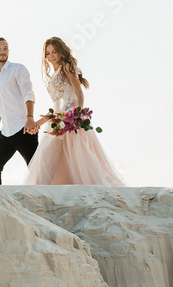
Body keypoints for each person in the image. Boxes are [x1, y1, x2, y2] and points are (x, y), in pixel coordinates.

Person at [24, 37, 127, 186]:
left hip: (70, 121)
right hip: (57, 121)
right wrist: (38, 123)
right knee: (51, 158)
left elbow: (79, 92)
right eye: (48, 53)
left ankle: (41, 188)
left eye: (54, 52)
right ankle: (42, 190)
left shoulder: (67, 68)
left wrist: (77, 116)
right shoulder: (54, 74)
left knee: (73, 158)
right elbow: (56, 105)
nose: (51, 56)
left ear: (61, 52)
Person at [0, 37, 38, 185]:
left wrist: (30, 117)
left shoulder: (18, 69)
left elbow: (28, 93)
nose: (2, 51)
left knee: (36, 169)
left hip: (24, 129)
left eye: (5, 48)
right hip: (6, 133)